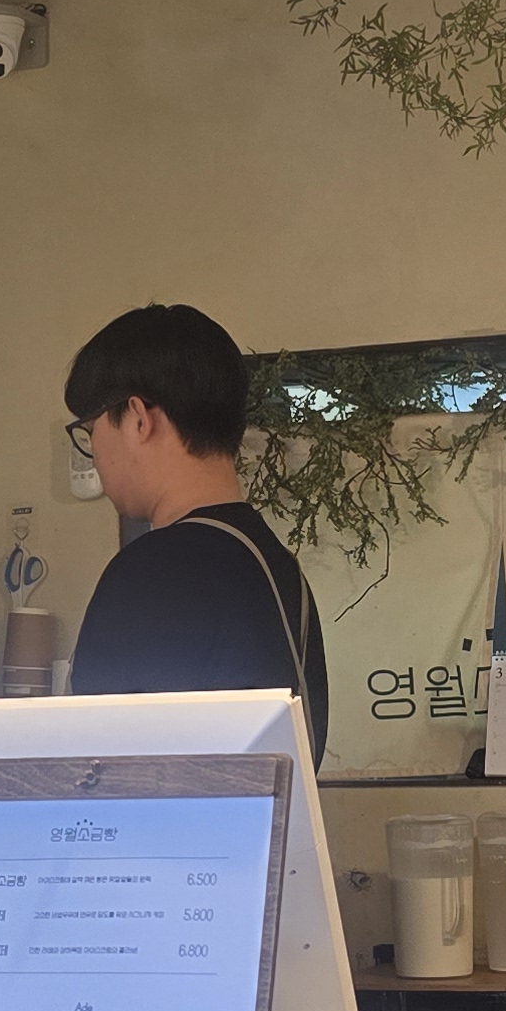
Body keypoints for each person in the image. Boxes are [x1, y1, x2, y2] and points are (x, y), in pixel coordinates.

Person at [61, 304, 328, 759]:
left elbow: (96, 768)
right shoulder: (277, 569)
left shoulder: (151, 572)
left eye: (91, 431)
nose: (96, 455)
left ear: (139, 418)